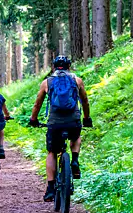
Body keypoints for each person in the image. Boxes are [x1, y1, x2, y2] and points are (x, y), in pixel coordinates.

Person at [29, 55, 93, 202]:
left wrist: (33, 119)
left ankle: (50, 188)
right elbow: (85, 101)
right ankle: (75, 160)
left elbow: (37, 104)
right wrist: (87, 118)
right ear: (69, 66)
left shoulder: (47, 82)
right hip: (73, 120)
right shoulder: (77, 80)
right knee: (76, 137)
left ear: (54, 66)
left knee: (52, 152)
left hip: (55, 122)